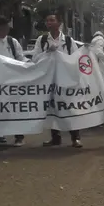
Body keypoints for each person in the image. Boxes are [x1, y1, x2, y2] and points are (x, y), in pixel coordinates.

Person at [32, 12, 83, 148]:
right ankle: (55, 137)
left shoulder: (68, 40)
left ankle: (75, 137)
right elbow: (35, 59)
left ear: (59, 23)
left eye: (52, 20)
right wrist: (47, 51)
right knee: (52, 109)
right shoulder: (42, 40)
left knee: (70, 108)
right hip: (49, 80)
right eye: (47, 20)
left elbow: (76, 58)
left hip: (66, 80)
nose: (49, 23)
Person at [0, 16, 27, 148]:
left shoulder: (12, 42)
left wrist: (30, 65)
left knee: (15, 109)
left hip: (12, 81)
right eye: (5, 27)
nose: (7, 30)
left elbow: (20, 58)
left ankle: (19, 137)